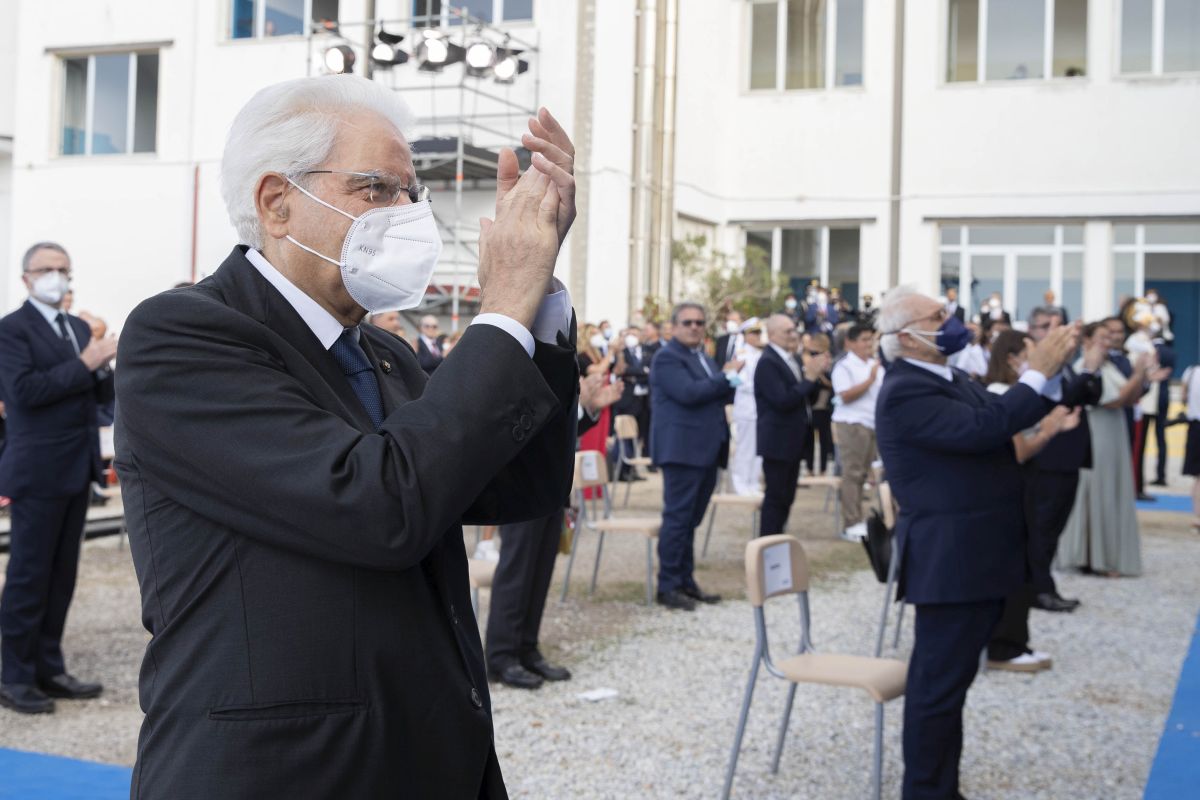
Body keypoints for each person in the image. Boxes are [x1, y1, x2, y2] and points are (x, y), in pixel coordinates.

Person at [113, 76, 579, 798]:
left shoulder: (383, 352)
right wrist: (501, 308)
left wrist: (537, 296)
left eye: (412, 194)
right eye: (377, 189)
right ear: (277, 202)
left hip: (425, 756)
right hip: (284, 772)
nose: (407, 214)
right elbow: (378, 504)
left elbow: (518, 484)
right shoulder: (185, 335)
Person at [874, 285, 1077, 800]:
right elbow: (986, 427)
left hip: (977, 555)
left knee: (952, 685)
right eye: (937, 315)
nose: (952, 320)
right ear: (907, 338)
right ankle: (925, 791)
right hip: (951, 560)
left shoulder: (951, 377)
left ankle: (943, 787)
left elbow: (1006, 414)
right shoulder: (906, 389)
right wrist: (1037, 372)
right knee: (936, 688)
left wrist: (1052, 371)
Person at [0, 242, 116, 714]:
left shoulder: (76, 328)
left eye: (63, 269)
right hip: (37, 470)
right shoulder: (12, 330)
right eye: (46, 269)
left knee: (61, 576)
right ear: (26, 278)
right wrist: (87, 363)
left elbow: (98, 395)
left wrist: (104, 365)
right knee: (29, 576)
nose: (56, 276)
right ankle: (15, 675)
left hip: (76, 465)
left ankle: (50, 667)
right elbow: (24, 392)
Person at [486, 373, 623, 690]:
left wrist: (586, 410)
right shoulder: (514, 361)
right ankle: (501, 655)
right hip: (522, 484)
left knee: (540, 570)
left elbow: (559, 430)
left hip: (551, 486)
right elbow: (523, 421)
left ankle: (526, 647)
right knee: (518, 571)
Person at [982, 330, 1082, 672]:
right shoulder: (1000, 394)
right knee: (1014, 566)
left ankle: (1014, 642)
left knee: (1024, 562)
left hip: (1018, 488)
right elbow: (1020, 451)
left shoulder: (1012, 392)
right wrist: (1049, 430)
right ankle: (1004, 646)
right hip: (1011, 490)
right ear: (1012, 358)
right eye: (1032, 353)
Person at [649, 302, 738, 611]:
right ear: (674, 326)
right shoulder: (667, 357)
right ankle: (668, 586)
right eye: (687, 322)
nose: (694, 327)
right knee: (678, 519)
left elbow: (716, 393)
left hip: (706, 448)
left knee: (690, 520)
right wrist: (726, 377)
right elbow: (689, 393)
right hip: (682, 450)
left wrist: (731, 381)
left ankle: (686, 581)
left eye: (699, 322)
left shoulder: (703, 357)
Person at [1058, 322, 1164, 578]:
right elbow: (1114, 400)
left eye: (1110, 337)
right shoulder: (1086, 368)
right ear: (1087, 341)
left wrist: (1141, 375)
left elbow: (1130, 398)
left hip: (1113, 433)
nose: (1109, 342)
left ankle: (1106, 553)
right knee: (1100, 491)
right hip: (1098, 434)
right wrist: (1138, 374)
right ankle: (1094, 555)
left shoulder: (1110, 366)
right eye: (1102, 338)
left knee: (1112, 489)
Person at [1022, 307, 1104, 613]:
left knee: (1054, 527)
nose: (1054, 334)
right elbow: (1060, 404)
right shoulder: (1037, 367)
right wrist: (1087, 372)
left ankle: (1042, 584)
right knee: (1041, 528)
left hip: (1068, 458)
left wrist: (1092, 373)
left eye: (1059, 327)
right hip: (1046, 458)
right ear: (1032, 331)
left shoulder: (1066, 366)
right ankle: (1039, 589)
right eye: (1046, 327)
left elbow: (1090, 397)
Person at [754, 314, 827, 537]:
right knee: (776, 497)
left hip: (793, 438)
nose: (794, 335)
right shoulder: (768, 362)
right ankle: (767, 545)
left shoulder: (791, 358)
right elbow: (782, 400)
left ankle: (776, 541)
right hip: (777, 440)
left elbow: (805, 398)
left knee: (787, 497)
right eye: (788, 331)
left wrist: (816, 376)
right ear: (772, 334)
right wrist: (809, 379)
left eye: (794, 329)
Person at [831, 324, 883, 539]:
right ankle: (851, 522)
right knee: (852, 473)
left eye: (871, 339)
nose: (868, 344)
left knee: (863, 474)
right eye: (863, 340)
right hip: (852, 423)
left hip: (872, 423)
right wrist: (869, 380)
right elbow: (845, 396)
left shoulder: (875, 364)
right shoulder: (844, 366)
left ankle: (860, 518)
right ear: (849, 343)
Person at [729, 319, 765, 495]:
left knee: (758, 448)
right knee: (746, 447)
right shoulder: (741, 354)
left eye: (759, 333)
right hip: (746, 405)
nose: (757, 336)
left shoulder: (760, 354)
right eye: (754, 333)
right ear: (745, 335)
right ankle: (740, 481)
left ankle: (753, 481)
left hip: (759, 407)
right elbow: (738, 381)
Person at [614, 327, 652, 480]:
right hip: (628, 400)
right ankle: (623, 470)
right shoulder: (622, 352)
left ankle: (632, 470)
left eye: (635, 334)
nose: (632, 337)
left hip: (644, 400)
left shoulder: (647, 351)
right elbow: (622, 370)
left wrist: (636, 371)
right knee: (625, 437)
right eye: (630, 334)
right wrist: (643, 371)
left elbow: (652, 370)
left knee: (639, 436)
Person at [801, 333, 835, 477]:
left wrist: (819, 373)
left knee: (824, 439)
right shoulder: (807, 358)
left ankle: (823, 469)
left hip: (824, 405)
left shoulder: (829, 361)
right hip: (811, 404)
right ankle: (809, 468)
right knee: (809, 439)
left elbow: (831, 382)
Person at [1181, 363, 1200, 530]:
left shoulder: (1191, 372)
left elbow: (1183, 397)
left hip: (1195, 427)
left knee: (1197, 477)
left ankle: (1197, 515)